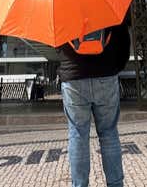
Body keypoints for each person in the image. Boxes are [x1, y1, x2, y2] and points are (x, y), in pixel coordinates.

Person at [56, 14, 131, 187]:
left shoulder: (61, 4)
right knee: (109, 133)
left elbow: (55, 43)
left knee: (78, 134)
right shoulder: (107, 2)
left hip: (73, 77)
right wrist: (114, 68)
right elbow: (123, 42)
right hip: (105, 75)